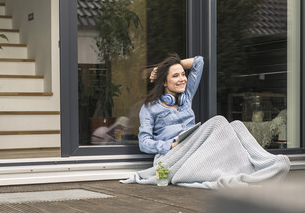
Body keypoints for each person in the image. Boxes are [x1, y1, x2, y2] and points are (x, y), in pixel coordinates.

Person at [122, 53, 290, 189]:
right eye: (175, 76)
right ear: (164, 82)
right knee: (218, 122)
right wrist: (170, 145)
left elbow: (198, 62)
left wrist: (165, 66)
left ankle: (268, 163)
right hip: (174, 155)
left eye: (183, 74)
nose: (182, 78)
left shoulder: (185, 98)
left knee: (237, 125)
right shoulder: (150, 108)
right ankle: (252, 173)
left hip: (196, 149)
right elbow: (144, 143)